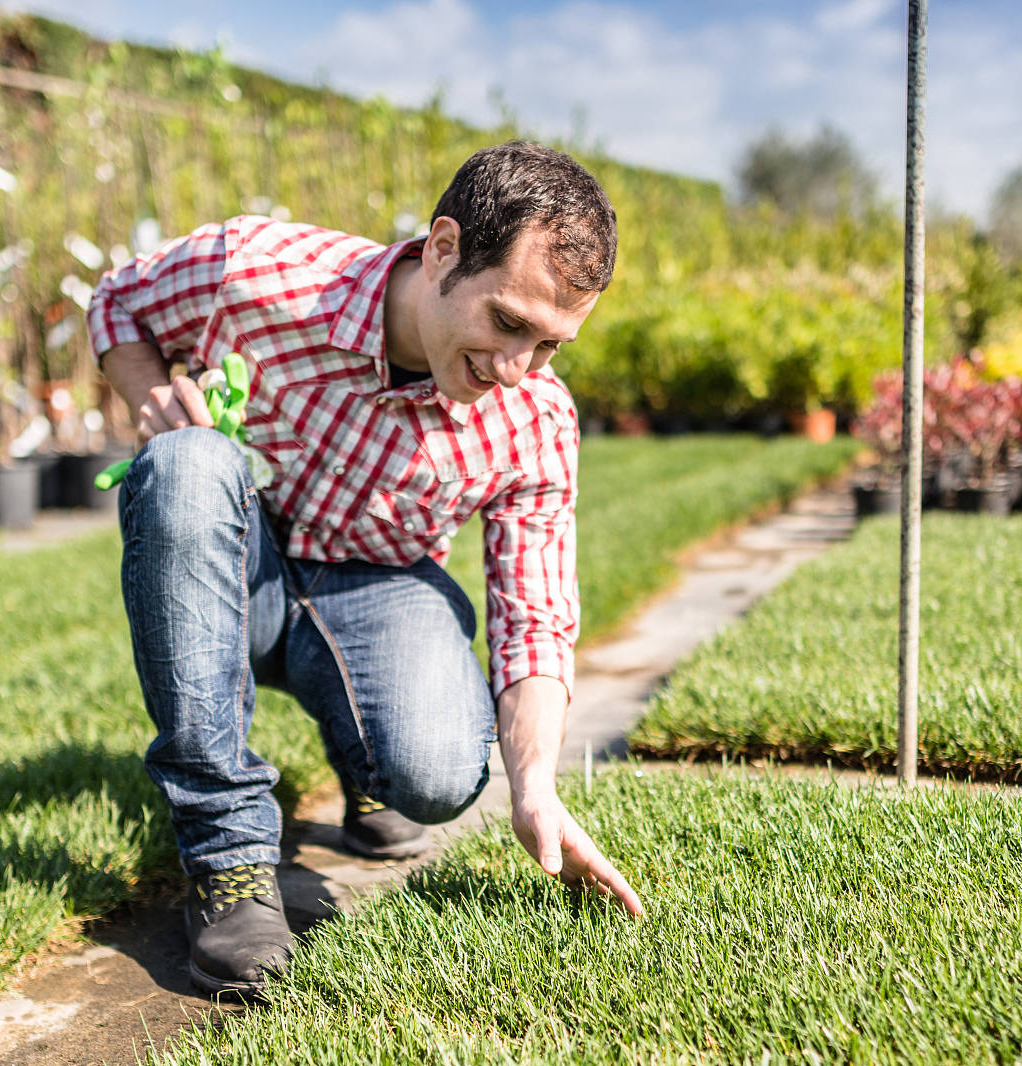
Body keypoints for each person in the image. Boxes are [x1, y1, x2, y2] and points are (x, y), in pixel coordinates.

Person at [88, 140, 645, 998]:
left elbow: (534, 618)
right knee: (188, 464)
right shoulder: (256, 269)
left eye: (548, 344)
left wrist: (534, 789)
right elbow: (118, 301)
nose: (514, 370)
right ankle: (227, 852)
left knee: (437, 775)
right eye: (504, 322)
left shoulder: (536, 418)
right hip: (240, 570)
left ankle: (369, 761)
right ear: (445, 249)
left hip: (377, 587)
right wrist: (148, 393)